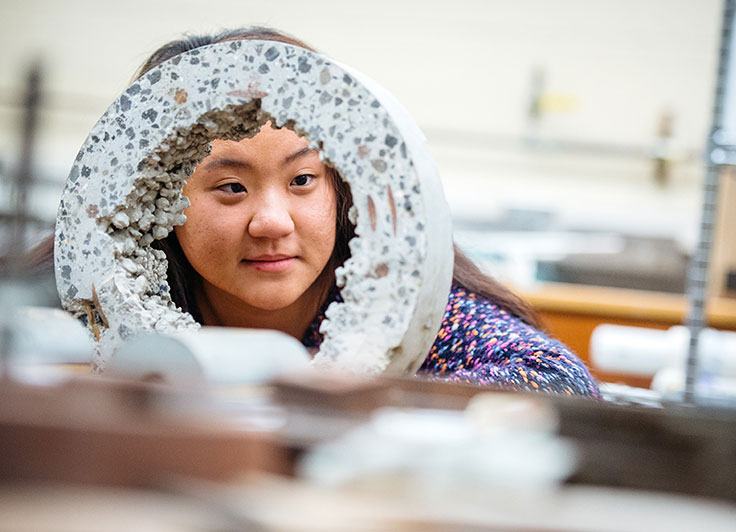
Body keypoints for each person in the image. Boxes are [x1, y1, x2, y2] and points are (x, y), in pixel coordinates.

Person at [114, 27, 601, 397]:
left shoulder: (398, 301)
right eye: (231, 187)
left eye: (302, 180)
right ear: (152, 201)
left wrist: (345, 397)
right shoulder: (100, 295)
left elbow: (557, 380)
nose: (272, 223)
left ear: (341, 187)